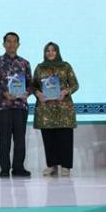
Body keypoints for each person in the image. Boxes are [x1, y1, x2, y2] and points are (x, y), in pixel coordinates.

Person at [32, 42, 79, 176]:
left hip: (63, 108)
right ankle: (52, 165)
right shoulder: (40, 68)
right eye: (48, 51)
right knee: (49, 138)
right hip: (45, 109)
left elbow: (75, 85)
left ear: (57, 52)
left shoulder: (65, 66)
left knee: (65, 137)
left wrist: (65, 91)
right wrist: (38, 93)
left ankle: (65, 166)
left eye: (53, 50)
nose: (50, 53)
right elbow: (33, 86)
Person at [0, 32, 33, 178]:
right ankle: (4, 168)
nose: (11, 44)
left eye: (14, 41)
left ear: (18, 44)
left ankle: (18, 167)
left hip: (20, 106)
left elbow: (31, 84)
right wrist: (4, 93)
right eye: (8, 41)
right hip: (3, 106)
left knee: (20, 138)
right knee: (4, 139)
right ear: (4, 44)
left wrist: (26, 93)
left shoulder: (25, 63)